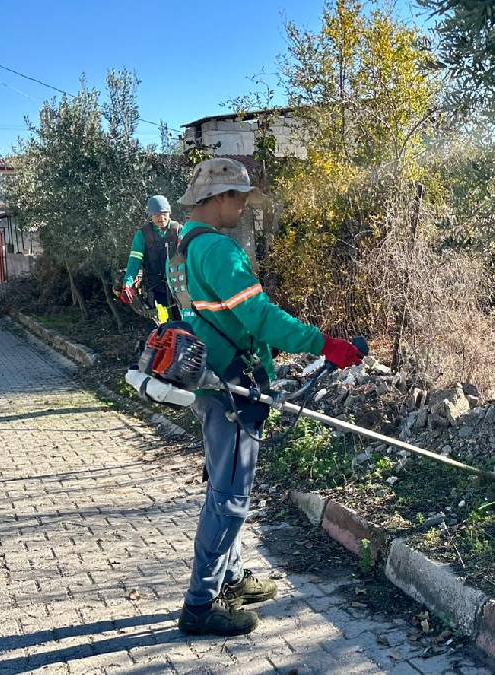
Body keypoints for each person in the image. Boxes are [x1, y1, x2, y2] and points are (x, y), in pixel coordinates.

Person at [168, 158, 364, 636]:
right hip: (233, 385)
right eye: (239, 198)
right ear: (218, 199)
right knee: (230, 497)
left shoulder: (182, 248)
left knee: (222, 483)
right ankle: (200, 605)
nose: (243, 209)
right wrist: (326, 344)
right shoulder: (219, 250)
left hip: (210, 379)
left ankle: (231, 577)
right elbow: (260, 317)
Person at [119, 195, 181, 320]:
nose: (161, 217)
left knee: (185, 323)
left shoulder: (178, 230)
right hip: (156, 287)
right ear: (151, 216)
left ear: (169, 212)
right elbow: (134, 261)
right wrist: (128, 283)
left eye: (164, 213)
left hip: (179, 286)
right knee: (164, 324)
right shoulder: (142, 234)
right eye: (156, 214)